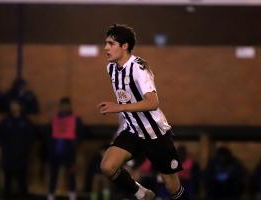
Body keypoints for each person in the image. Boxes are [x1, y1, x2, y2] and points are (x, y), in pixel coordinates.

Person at [97, 24, 189, 200]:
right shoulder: (111, 68)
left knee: (172, 187)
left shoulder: (139, 68)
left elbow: (152, 102)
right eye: (106, 43)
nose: (106, 48)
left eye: (111, 43)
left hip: (154, 132)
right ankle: (143, 194)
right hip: (132, 131)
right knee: (107, 166)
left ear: (124, 46)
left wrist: (118, 107)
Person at [47, 97, 84, 200]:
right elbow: (49, 134)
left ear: (69, 106)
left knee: (71, 174)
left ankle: (72, 194)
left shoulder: (75, 120)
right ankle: (51, 194)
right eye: (63, 105)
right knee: (54, 174)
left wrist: (75, 143)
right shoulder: (54, 120)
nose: (64, 107)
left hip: (69, 151)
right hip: (55, 151)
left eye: (66, 105)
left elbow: (81, 133)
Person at [0, 100, 35, 199]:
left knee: (22, 179)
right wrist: (4, 147)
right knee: (7, 180)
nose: (13, 107)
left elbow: (30, 137)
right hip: (8, 155)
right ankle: (7, 196)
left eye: (15, 105)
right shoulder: (5, 121)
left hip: (21, 155)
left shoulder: (26, 121)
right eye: (12, 105)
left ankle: (23, 196)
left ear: (20, 107)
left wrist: (24, 148)